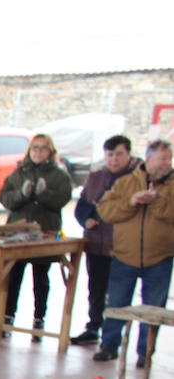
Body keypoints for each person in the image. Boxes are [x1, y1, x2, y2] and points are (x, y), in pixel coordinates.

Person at [93, 139, 174, 366]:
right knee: (117, 304)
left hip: (160, 258)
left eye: (169, 158)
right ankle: (109, 346)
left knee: (153, 309)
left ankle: (145, 352)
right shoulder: (125, 183)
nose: (166, 163)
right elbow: (106, 212)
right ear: (148, 159)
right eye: (162, 158)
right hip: (124, 256)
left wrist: (156, 201)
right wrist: (131, 201)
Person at [0, 134, 73, 342]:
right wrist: (22, 194)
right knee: (13, 277)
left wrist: (44, 193)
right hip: (18, 234)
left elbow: (62, 199)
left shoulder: (59, 175)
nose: (38, 152)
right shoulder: (19, 173)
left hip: (45, 232)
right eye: (35, 148)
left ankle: (39, 317)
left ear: (50, 151)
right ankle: (7, 316)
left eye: (43, 148)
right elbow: (5, 198)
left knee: (41, 279)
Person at [71, 136, 139, 346]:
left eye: (119, 154)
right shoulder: (96, 176)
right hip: (96, 241)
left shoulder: (138, 178)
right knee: (96, 287)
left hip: (121, 245)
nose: (114, 159)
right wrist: (85, 219)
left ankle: (112, 337)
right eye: (110, 155)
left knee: (117, 293)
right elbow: (83, 204)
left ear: (128, 154)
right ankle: (93, 326)